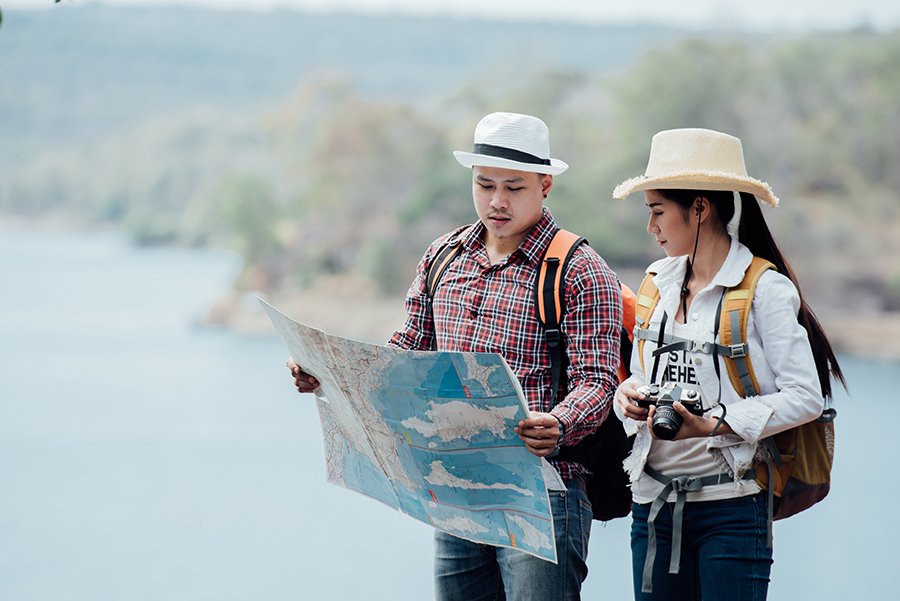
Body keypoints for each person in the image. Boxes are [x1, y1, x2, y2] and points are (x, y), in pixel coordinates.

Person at [289, 111, 623, 600]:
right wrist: (327, 375)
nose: (497, 201)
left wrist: (558, 421)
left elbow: (598, 380)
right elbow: (404, 355)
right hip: (456, 493)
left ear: (545, 185)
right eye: (485, 184)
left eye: (514, 187)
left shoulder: (578, 269)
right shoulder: (444, 257)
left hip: (543, 493)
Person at [611, 128, 846, 601]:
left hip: (733, 506)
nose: (651, 228)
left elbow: (804, 397)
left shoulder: (764, 290)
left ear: (699, 207)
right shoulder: (656, 283)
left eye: (658, 211)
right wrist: (628, 400)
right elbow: (638, 377)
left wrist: (713, 424)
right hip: (653, 504)